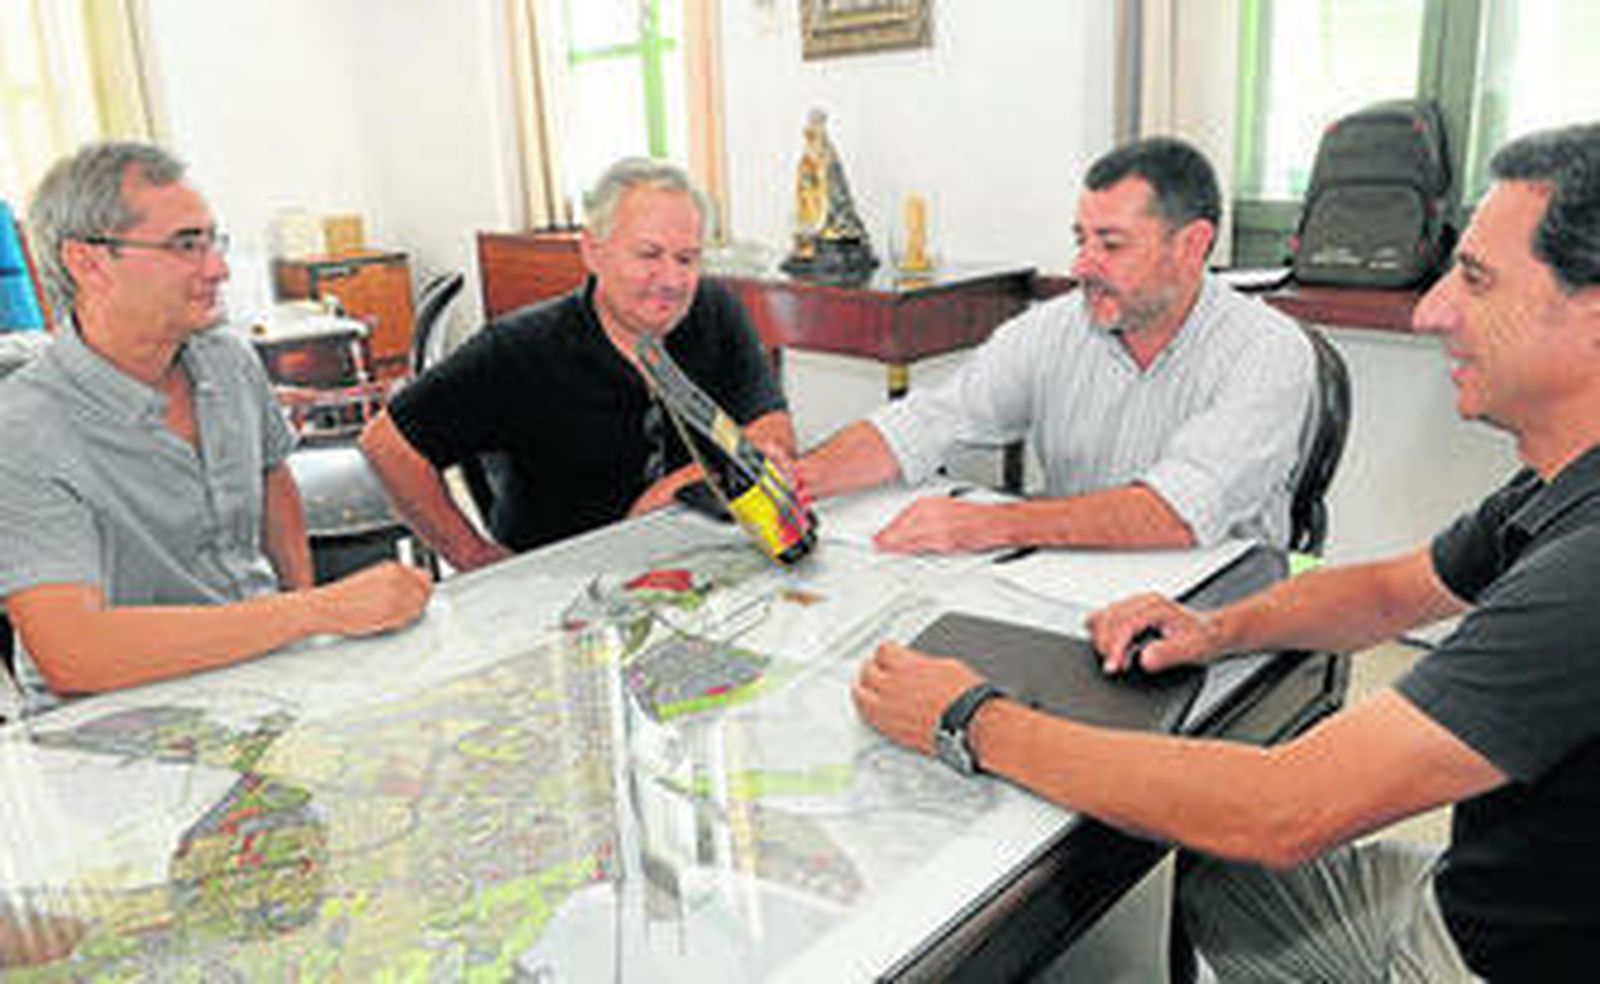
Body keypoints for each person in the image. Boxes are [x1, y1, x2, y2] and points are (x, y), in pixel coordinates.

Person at [854, 122, 1600, 981]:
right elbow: (1394, 592)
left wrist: (970, 719)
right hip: (1478, 897)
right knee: (1208, 875)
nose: (1432, 308)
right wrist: (1215, 630)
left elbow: (1287, 808)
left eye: (1474, 278)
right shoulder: (1554, 486)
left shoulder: (1585, 579)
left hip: (1493, 961)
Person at [0, 142, 431, 716]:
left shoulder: (228, 360)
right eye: (185, 246)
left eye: (212, 241)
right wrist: (317, 611)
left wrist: (303, 613)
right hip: (117, 725)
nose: (218, 269)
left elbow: (272, 476)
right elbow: (75, 655)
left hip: (264, 680)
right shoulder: (22, 428)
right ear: (89, 263)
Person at [797, 137, 1315, 554]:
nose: (1082, 267)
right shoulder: (1057, 326)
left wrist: (995, 524)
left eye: (1111, 245)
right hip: (1075, 576)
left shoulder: (1268, 350)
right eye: (1080, 240)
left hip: (1218, 606)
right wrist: (804, 479)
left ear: (1192, 246)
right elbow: (932, 419)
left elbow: (1179, 513)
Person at [360, 158, 794, 571]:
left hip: (694, 570)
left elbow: (770, 428)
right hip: (562, 592)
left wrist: (686, 487)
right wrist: (473, 556)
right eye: (648, 255)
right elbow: (387, 444)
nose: (672, 281)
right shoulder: (519, 350)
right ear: (593, 251)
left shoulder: (715, 311)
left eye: (686, 259)